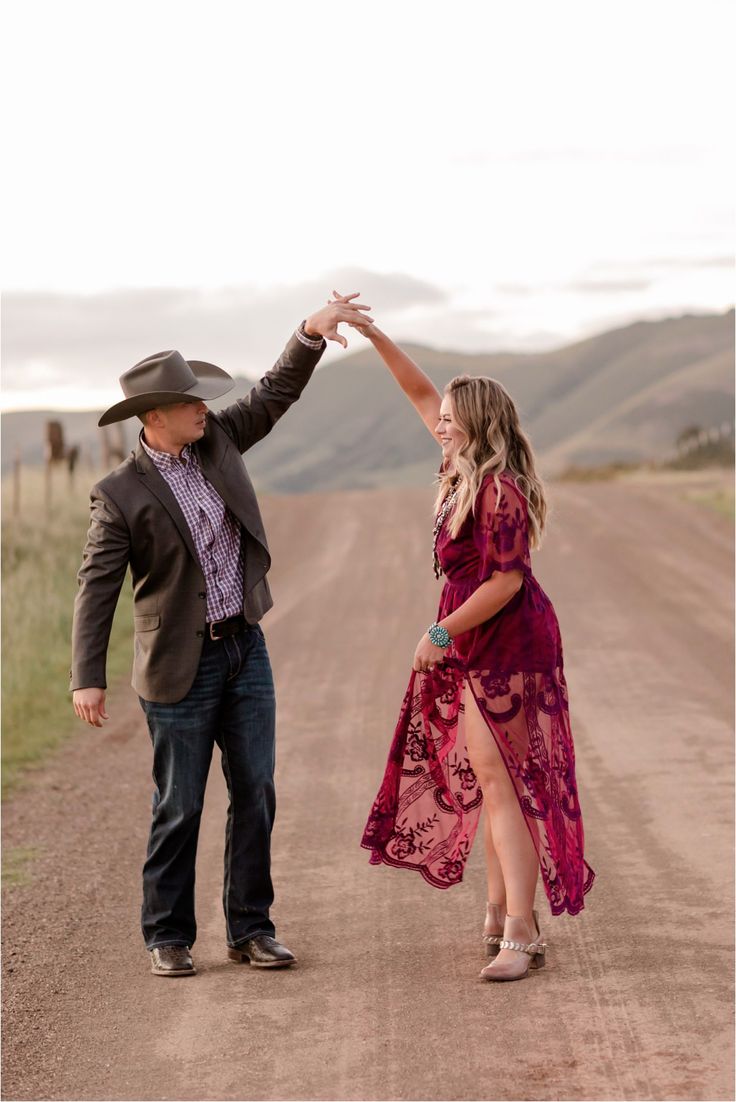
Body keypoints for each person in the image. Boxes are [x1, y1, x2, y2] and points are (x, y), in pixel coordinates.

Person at [70, 296, 372, 977]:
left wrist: (309, 334)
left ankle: (251, 929)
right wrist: (85, 673)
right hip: (179, 666)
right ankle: (168, 936)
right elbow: (96, 588)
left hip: (245, 650)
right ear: (155, 417)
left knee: (257, 790)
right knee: (179, 805)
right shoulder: (119, 494)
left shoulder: (220, 440)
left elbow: (274, 393)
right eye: (190, 402)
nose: (204, 408)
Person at [334, 292, 595, 982]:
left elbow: (506, 581)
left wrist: (440, 632)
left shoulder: (498, 489)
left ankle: (521, 931)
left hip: (506, 638)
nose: (438, 426)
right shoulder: (460, 466)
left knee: (504, 783)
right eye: (439, 421)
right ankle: (499, 906)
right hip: (479, 635)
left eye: (450, 420)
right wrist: (372, 331)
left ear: (475, 425)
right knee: (488, 775)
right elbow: (420, 390)